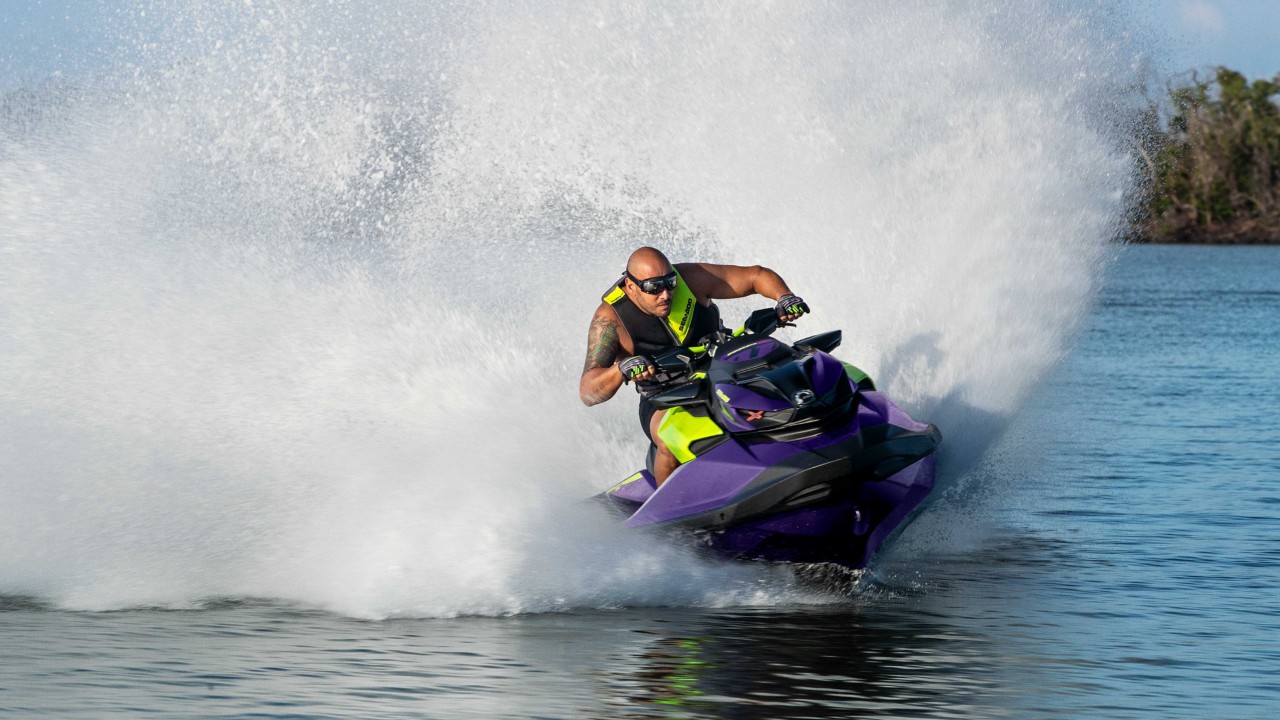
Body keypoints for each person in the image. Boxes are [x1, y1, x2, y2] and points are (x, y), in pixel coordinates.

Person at [579, 246, 809, 485]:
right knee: (670, 438)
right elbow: (587, 391)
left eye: (669, 283)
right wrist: (621, 369)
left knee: (786, 377)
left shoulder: (690, 279)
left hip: (723, 370)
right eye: (653, 288)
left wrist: (784, 296)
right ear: (631, 286)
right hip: (665, 396)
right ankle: (668, 514)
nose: (666, 294)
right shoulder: (609, 320)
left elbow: (755, 276)